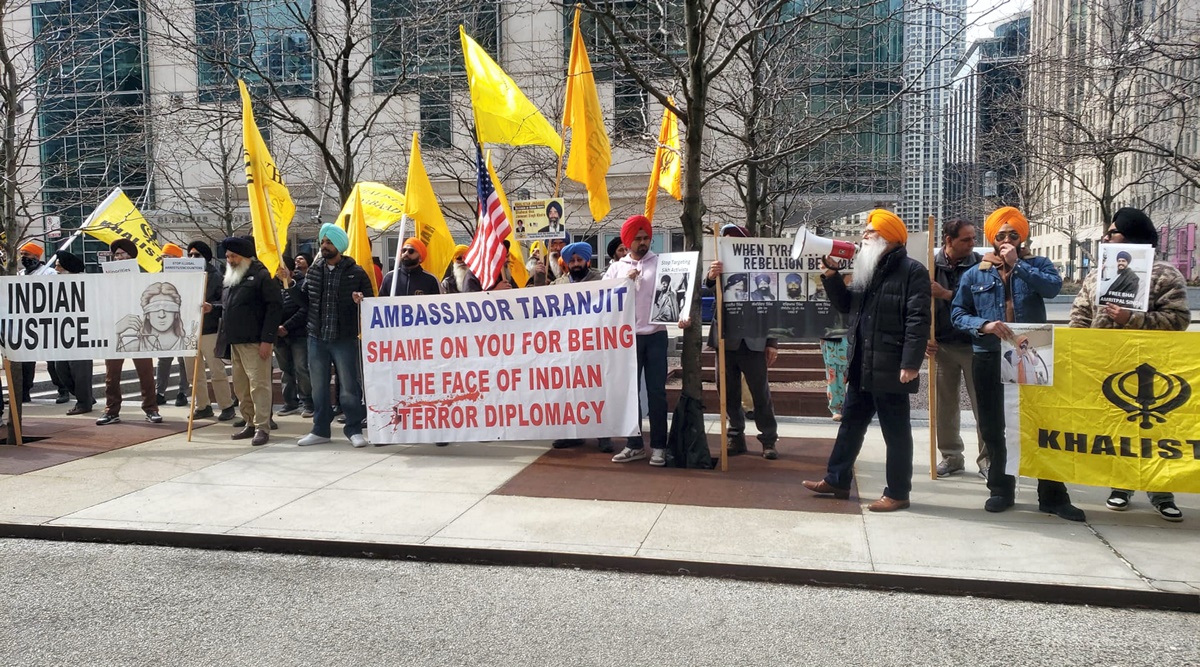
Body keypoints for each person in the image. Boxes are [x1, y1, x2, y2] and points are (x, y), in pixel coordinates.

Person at [951, 206, 1085, 521]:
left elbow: (1052, 289)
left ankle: (1052, 494)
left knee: (1042, 423)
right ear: (992, 239)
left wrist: (1018, 266)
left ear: (1023, 237)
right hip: (989, 354)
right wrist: (983, 324)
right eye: (1001, 236)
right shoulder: (975, 273)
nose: (1007, 240)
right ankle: (1001, 488)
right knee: (994, 425)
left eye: (1013, 235)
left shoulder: (1037, 264)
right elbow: (958, 313)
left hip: (1033, 350)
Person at [802, 209, 930, 512]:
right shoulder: (867, 268)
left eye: (869, 231)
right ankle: (836, 479)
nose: (863, 235)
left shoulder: (913, 271)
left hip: (892, 367)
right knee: (850, 425)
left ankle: (898, 492)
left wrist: (910, 364)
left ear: (886, 237)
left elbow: (918, 320)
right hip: (861, 364)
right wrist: (832, 276)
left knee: (896, 434)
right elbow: (847, 306)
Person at [1069, 207, 1189, 522]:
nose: (1105, 237)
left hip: (1151, 369)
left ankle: (1160, 491)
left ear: (1131, 237)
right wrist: (1079, 348)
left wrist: (1130, 318)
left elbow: (1178, 320)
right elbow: (1080, 313)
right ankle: (1120, 486)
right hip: (1105, 363)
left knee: (1154, 431)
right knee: (1115, 429)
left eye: (1113, 233)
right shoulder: (1097, 273)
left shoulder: (1165, 274)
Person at [705, 225, 780, 459]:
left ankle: (768, 439)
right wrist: (710, 276)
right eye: (726, 241)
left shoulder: (762, 272)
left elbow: (772, 308)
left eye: (735, 241)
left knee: (760, 393)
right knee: (727, 393)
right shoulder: (718, 266)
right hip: (726, 341)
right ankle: (735, 436)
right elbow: (705, 288)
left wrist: (772, 342)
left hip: (754, 341)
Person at [299, 223, 375, 448]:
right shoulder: (314, 270)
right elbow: (305, 301)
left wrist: (360, 301)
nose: (324, 246)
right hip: (316, 337)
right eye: (323, 241)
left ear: (339, 246)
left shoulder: (356, 272)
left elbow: (371, 305)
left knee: (349, 387)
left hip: (344, 338)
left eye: (329, 242)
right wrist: (292, 285)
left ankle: (354, 429)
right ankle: (320, 430)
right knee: (319, 387)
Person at [603, 215, 670, 466]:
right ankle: (634, 444)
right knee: (631, 394)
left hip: (655, 336)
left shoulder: (662, 263)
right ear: (627, 241)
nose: (643, 243)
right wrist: (623, 282)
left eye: (646, 238)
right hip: (627, 339)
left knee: (656, 393)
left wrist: (682, 317)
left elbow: (676, 294)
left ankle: (659, 446)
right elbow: (603, 299)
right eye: (637, 239)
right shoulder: (617, 268)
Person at [930, 219, 987, 479]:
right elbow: (917, 305)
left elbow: (981, 304)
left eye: (973, 238)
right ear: (948, 240)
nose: (972, 244)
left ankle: (988, 459)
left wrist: (945, 294)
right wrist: (923, 337)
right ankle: (951, 457)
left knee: (983, 405)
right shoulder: (929, 265)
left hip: (976, 345)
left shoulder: (981, 265)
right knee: (945, 407)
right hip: (942, 345)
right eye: (966, 239)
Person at [550, 242, 614, 454]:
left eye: (579, 260)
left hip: (594, 345)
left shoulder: (602, 281)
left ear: (588, 260)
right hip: (566, 348)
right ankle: (571, 434)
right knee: (567, 391)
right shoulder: (558, 284)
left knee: (597, 390)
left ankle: (603, 435)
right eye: (572, 261)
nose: (576, 264)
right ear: (567, 263)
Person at [219, 236, 281, 446]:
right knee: (241, 387)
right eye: (227, 256)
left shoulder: (262, 276)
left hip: (256, 342)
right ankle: (249, 422)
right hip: (234, 341)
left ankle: (262, 426)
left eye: (233, 256)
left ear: (245, 256)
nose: (230, 260)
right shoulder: (230, 278)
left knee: (259, 386)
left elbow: (274, 308)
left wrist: (267, 340)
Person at [97, 239, 162, 426]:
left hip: (139, 330)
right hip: (115, 330)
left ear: (131, 257)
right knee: (111, 374)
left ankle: (151, 408)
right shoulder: (106, 280)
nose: (119, 258)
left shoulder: (144, 278)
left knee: (146, 372)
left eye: (122, 254)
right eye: (116, 255)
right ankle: (111, 410)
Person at [186, 241, 236, 421]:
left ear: (206, 258)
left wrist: (211, 307)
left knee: (217, 370)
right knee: (193, 373)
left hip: (209, 330)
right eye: (190, 255)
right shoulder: (183, 276)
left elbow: (225, 303)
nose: (192, 258)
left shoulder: (217, 277)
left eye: (197, 255)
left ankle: (226, 405)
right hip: (188, 331)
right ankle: (202, 406)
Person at [51, 251, 95, 415]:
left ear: (67, 269)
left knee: (81, 371)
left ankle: (84, 403)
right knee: (60, 368)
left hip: (81, 333)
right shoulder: (55, 285)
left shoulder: (84, 284)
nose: (56, 270)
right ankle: (85, 397)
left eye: (58, 267)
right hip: (62, 334)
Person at [275, 255, 313, 418]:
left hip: (298, 334)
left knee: (301, 368)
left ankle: (308, 402)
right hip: (278, 336)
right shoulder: (271, 286)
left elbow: (305, 308)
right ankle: (289, 402)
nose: (278, 272)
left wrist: (287, 326)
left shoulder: (302, 284)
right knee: (285, 370)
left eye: (281, 268)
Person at [155, 243, 190, 407]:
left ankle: (183, 392)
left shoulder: (188, 275)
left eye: (168, 257)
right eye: (163, 257)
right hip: (164, 323)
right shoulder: (158, 276)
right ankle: (159, 392)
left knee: (184, 360)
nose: (165, 260)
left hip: (184, 321)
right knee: (164, 359)